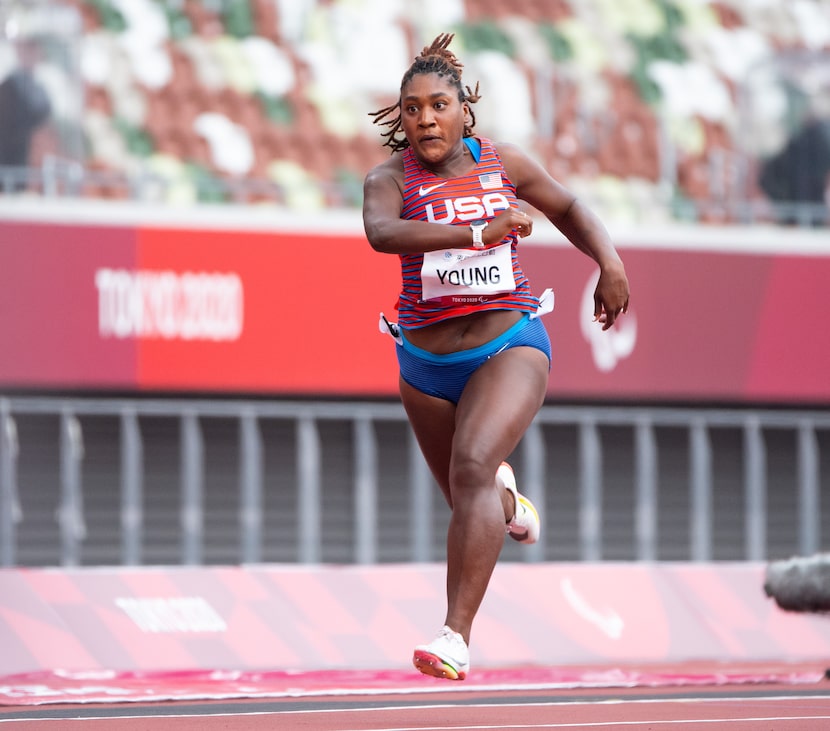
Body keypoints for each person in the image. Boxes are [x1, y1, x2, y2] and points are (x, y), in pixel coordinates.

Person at [362, 33, 630, 681]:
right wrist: (479, 231)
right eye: (412, 109)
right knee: (468, 494)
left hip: (508, 343)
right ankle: (508, 507)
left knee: (475, 463)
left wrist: (609, 261)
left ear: (463, 110)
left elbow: (567, 205)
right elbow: (382, 234)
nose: (425, 118)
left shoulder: (503, 164)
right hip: (425, 366)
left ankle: (454, 636)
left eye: (438, 105)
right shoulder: (389, 180)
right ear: (400, 118)